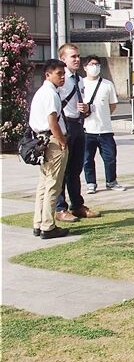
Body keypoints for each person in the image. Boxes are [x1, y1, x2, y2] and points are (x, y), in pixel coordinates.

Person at [55, 43, 100, 222]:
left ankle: (77, 205)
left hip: (79, 124)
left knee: (75, 169)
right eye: (73, 56)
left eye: (78, 56)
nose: (77, 59)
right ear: (63, 59)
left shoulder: (79, 79)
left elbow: (81, 103)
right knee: (62, 170)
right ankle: (60, 208)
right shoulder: (60, 79)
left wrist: (86, 109)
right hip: (65, 125)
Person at [30, 60, 69, 239]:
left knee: (44, 183)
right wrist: (62, 141)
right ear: (48, 75)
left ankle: (38, 223)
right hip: (52, 141)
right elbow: (52, 122)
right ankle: (48, 225)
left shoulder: (41, 92)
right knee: (53, 184)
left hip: (41, 140)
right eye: (59, 73)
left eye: (63, 74)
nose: (63, 77)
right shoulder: (50, 94)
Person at [82, 55, 126, 194]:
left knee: (110, 157)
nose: (94, 67)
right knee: (87, 159)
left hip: (105, 129)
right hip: (87, 129)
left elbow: (112, 105)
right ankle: (91, 183)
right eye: (91, 64)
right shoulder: (80, 84)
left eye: (97, 64)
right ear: (85, 67)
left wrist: (104, 115)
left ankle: (111, 181)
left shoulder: (107, 84)